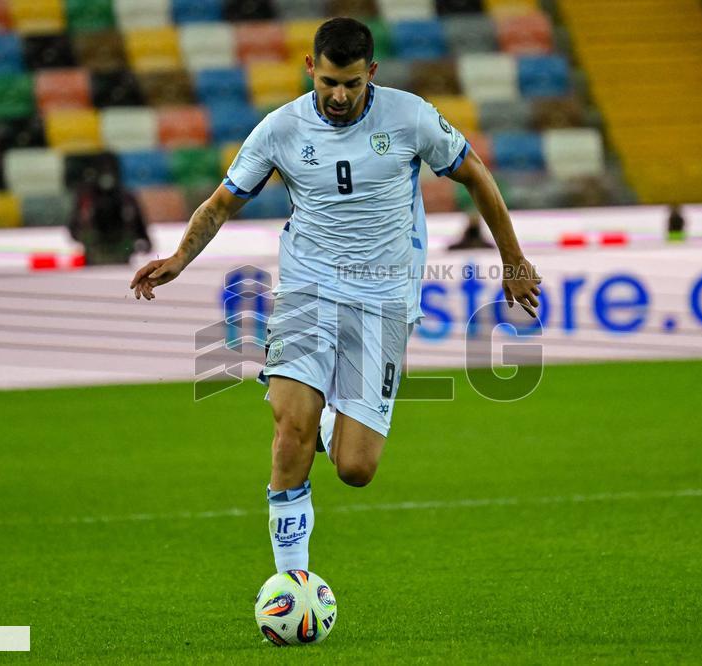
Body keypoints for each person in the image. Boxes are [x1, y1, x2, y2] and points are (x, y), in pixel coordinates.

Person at [130, 18, 541, 576]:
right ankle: (290, 579)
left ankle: (331, 424)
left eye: (351, 82)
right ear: (309, 69)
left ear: (371, 72)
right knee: (287, 430)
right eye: (328, 82)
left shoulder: (410, 116)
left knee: (355, 468)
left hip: (385, 301)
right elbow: (221, 202)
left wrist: (513, 261)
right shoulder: (280, 129)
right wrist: (179, 258)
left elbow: (477, 177)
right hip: (308, 290)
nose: (339, 95)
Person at [69, 172, 151, 266]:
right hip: (96, 255)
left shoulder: (125, 198)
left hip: (119, 253)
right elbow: (74, 229)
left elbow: (139, 224)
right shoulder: (87, 198)